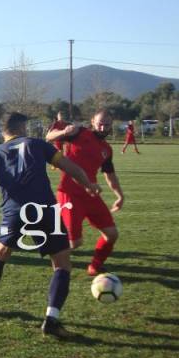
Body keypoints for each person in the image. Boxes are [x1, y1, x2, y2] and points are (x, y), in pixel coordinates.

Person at [0, 112, 100, 338]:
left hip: (15, 211)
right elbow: (70, 167)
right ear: (22, 128)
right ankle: (51, 319)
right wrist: (89, 184)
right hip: (45, 209)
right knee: (62, 263)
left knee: (0, 253)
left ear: (4, 130)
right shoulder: (38, 144)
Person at [46, 110, 124, 276]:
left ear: (111, 125)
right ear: (93, 121)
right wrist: (63, 132)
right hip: (69, 193)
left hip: (91, 194)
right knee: (74, 242)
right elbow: (49, 137)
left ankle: (95, 266)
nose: (103, 127)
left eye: (107, 124)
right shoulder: (79, 132)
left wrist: (119, 195)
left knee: (112, 234)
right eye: (100, 123)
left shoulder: (107, 149)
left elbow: (109, 174)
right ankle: (53, 253)